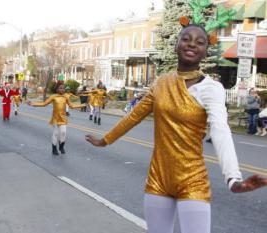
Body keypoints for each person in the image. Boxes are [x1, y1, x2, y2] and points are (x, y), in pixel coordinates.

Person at [86, 24, 267, 233]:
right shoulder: (162, 82)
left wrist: (233, 179)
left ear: (206, 52)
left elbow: (220, 130)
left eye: (200, 42)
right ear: (176, 45)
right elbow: (134, 116)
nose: (192, 44)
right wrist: (105, 140)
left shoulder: (211, 88)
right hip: (158, 179)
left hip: (192, 179)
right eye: (186, 38)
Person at [27, 82, 85, 155]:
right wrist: (33, 104)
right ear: (57, 89)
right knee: (56, 134)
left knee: (63, 132)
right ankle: (54, 148)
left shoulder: (66, 97)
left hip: (63, 118)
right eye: (60, 88)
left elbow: (72, 106)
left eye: (63, 88)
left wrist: (82, 105)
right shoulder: (53, 96)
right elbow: (44, 104)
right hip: (55, 118)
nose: (62, 90)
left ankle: (61, 146)